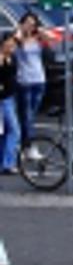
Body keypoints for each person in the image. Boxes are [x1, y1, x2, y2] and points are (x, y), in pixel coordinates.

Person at [12, 15, 45, 158]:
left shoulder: (37, 38)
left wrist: (40, 30)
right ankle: (28, 146)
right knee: (27, 116)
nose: (30, 27)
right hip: (24, 81)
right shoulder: (17, 39)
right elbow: (16, 44)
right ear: (22, 24)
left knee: (30, 115)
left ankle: (23, 144)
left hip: (39, 80)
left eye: (33, 24)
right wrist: (20, 30)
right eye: (28, 23)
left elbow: (51, 39)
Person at [0, 35, 17, 174]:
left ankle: (4, 162)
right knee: (14, 131)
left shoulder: (10, 57)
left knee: (4, 133)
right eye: (9, 43)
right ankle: (8, 163)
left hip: (10, 98)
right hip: (3, 100)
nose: (12, 45)